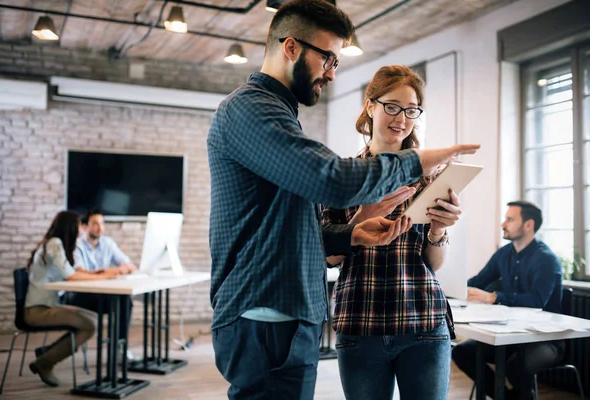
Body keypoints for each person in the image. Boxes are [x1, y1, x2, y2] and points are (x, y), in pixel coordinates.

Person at [207, 0, 480, 398]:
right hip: (268, 313)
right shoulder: (252, 109)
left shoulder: (280, 114)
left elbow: (293, 231)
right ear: (291, 47)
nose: (332, 74)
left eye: (411, 111)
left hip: (291, 314)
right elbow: (331, 179)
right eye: (328, 59)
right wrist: (418, 160)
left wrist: (352, 234)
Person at [321, 65, 462, 400]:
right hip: (361, 323)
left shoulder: (430, 177)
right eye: (392, 106)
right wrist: (360, 220)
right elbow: (329, 256)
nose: (402, 118)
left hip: (423, 323)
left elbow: (434, 263)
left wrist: (439, 229)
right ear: (370, 106)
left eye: (411, 110)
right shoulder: (342, 176)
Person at [452, 200, 564, 400]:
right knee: (462, 352)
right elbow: (478, 281)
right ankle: (506, 398)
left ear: (528, 225)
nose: (503, 224)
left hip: (544, 339)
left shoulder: (546, 259)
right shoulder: (505, 253)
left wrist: (494, 297)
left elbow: (536, 301)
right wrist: (449, 289)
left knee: (514, 365)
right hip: (509, 335)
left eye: (510, 219)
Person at [25, 211, 130, 387]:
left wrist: (99, 274)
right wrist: (104, 276)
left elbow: (72, 271)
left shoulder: (55, 243)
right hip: (38, 310)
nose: (81, 230)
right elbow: (71, 276)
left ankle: (48, 353)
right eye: (79, 226)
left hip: (47, 305)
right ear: (70, 228)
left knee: (93, 320)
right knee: (90, 324)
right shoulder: (55, 244)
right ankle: (46, 362)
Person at [61, 208, 138, 360]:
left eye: (102, 223)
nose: (100, 228)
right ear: (85, 227)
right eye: (95, 223)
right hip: (78, 296)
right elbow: (80, 273)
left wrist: (125, 268)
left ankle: (118, 347)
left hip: (100, 294)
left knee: (124, 300)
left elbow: (128, 264)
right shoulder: (77, 245)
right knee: (118, 301)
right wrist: (113, 272)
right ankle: (114, 349)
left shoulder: (107, 243)